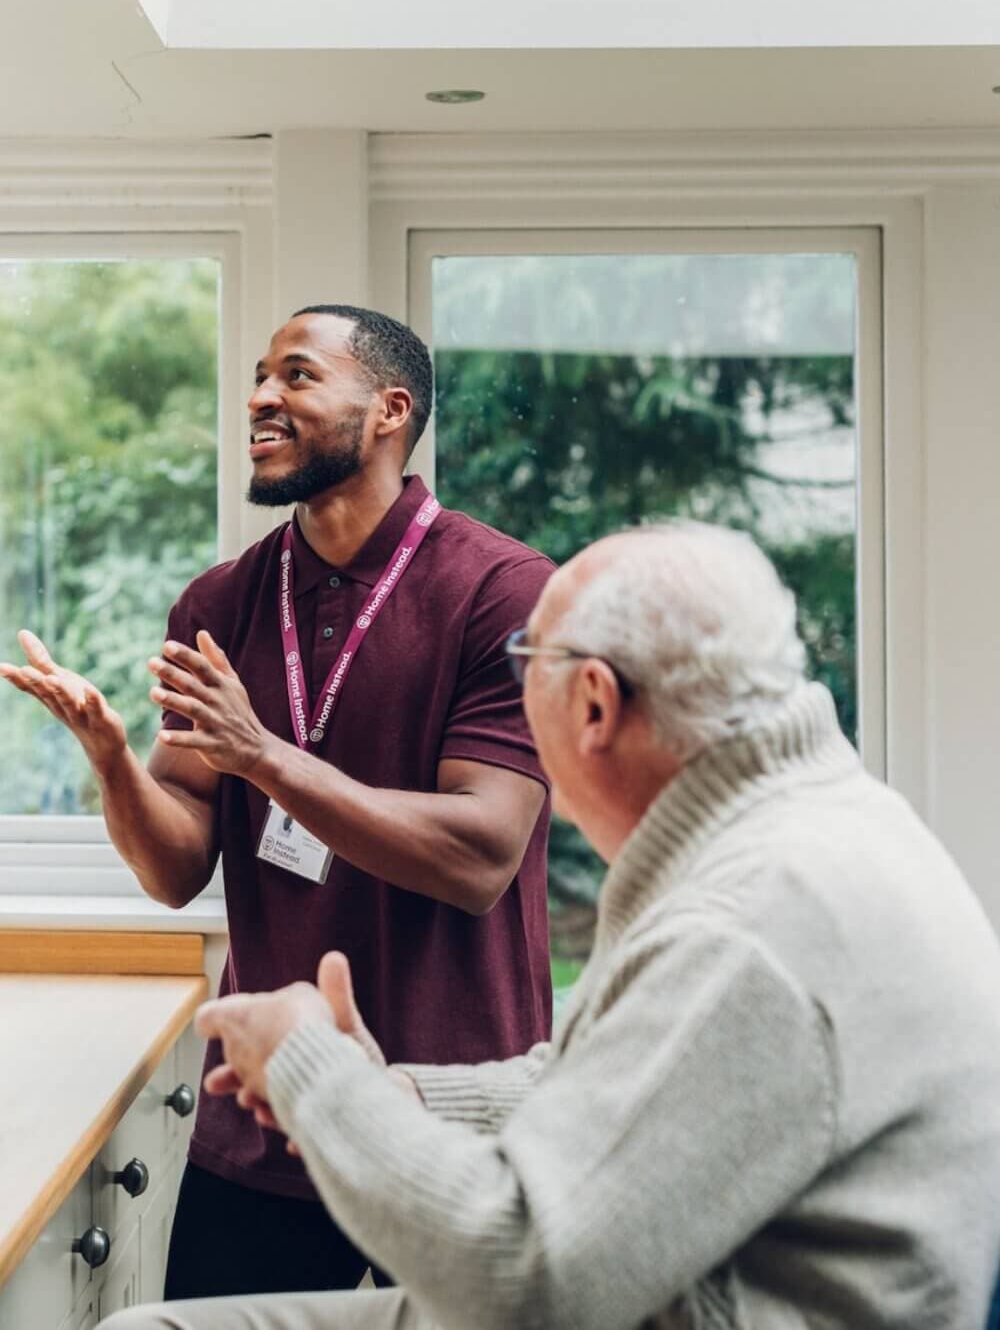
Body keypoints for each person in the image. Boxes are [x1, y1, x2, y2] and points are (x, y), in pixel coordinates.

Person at [100, 521, 1000, 1330]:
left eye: (530, 661)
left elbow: (522, 1282)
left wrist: (312, 1069)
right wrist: (412, 1096)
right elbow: (639, 1082)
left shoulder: (745, 924)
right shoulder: (824, 826)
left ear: (596, 704)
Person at [0, 305, 555, 1298]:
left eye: (297, 376)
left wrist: (263, 754)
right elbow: (175, 870)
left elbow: (480, 857)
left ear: (388, 410)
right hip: (260, 1127)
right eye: (259, 376)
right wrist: (116, 764)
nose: (261, 396)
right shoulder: (220, 603)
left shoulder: (503, 590)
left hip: (448, 1127)